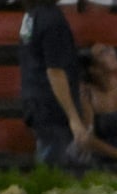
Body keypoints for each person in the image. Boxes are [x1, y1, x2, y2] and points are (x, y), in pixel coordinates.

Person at [19, 0, 87, 168]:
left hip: (35, 101)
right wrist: (74, 118)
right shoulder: (53, 19)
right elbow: (55, 72)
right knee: (58, 174)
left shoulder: (30, 15)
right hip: (52, 109)